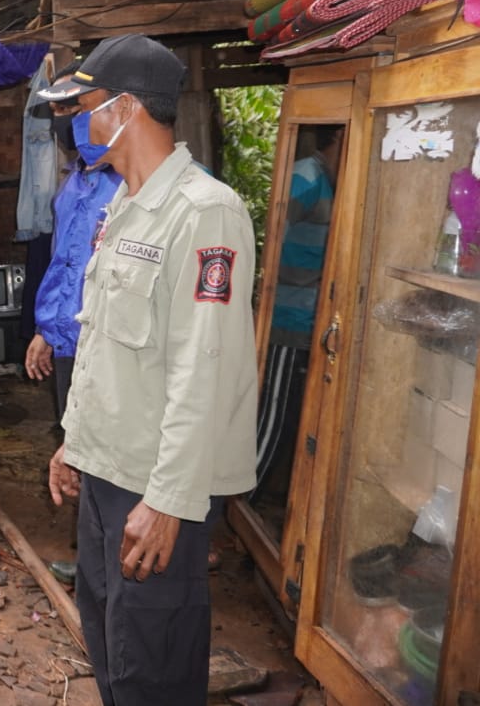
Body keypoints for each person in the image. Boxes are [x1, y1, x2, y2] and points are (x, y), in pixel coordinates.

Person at [44, 34, 258, 705]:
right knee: (113, 645)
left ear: (128, 108)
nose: (80, 123)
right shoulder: (124, 206)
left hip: (155, 486)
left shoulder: (204, 213)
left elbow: (205, 371)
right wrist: (73, 442)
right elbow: (102, 341)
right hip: (107, 471)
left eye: (87, 107)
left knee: (154, 663)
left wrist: (168, 500)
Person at [26, 60, 122, 435]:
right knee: (75, 440)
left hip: (112, 345)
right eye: (55, 112)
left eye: (71, 108)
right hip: (71, 343)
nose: (63, 120)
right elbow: (63, 263)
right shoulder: (75, 182)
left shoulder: (133, 182)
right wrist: (46, 331)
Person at [256, 128, 341, 498]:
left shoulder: (334, 181)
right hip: (287, 324)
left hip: (317, 327)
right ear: (338, 136)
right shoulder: (305, 178)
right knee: (272, 419)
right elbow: (270, 246)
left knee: (295, 423)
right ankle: (235, 510)